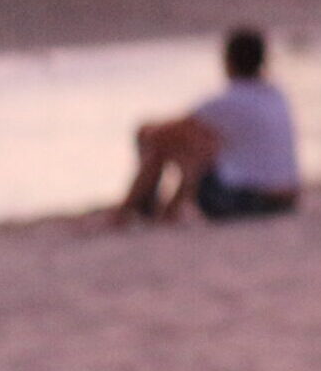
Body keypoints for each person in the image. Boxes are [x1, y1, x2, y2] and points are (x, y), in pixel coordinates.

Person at [112, 26, 302, 225]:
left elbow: (158, 136)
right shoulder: (277, 95)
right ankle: (162, 212)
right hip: (287, 200)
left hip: (246, 202)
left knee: (181, 145)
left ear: (228, 61)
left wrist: (146, 135)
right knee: (202, 144)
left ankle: (130, 211)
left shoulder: (228, 101)